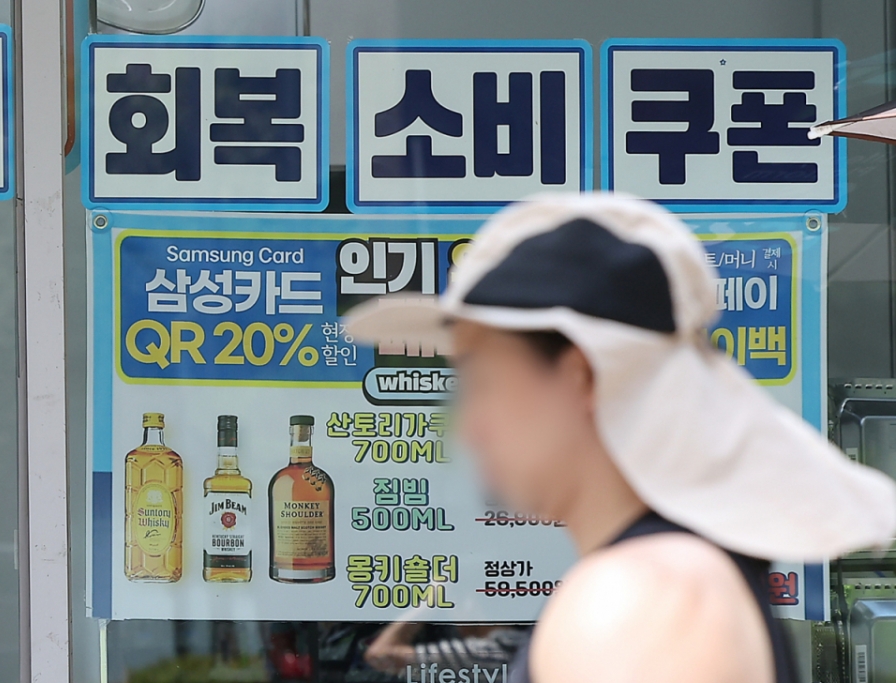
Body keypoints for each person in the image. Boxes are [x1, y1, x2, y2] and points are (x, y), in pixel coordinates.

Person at [346, 193, 896, 683]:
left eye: (485, 382)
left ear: (581, 375)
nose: (469, 427)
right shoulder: (669, 579)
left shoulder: (639, 600)